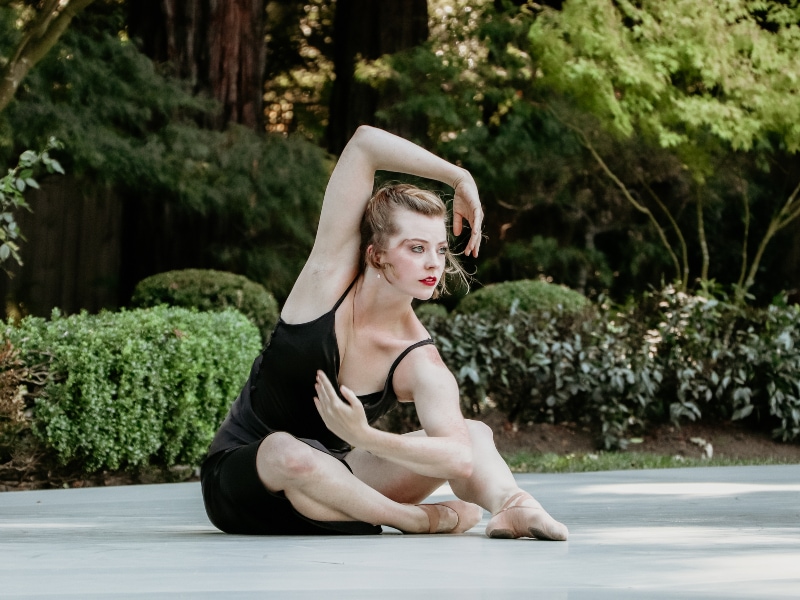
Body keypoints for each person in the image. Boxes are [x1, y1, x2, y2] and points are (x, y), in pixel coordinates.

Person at [200, 125, 568, 540]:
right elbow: (364, 144)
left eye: (440, 250)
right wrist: (458, 177)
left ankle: (514, 506)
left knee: (475, 435)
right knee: (287, 450)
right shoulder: (326, 284)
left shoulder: (417, 357)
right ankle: (413, 519)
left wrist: (366, 436)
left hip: (337, 485)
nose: (434, 263)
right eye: (416, 248)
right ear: (375, 255)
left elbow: (459, 457)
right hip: (246, 482)